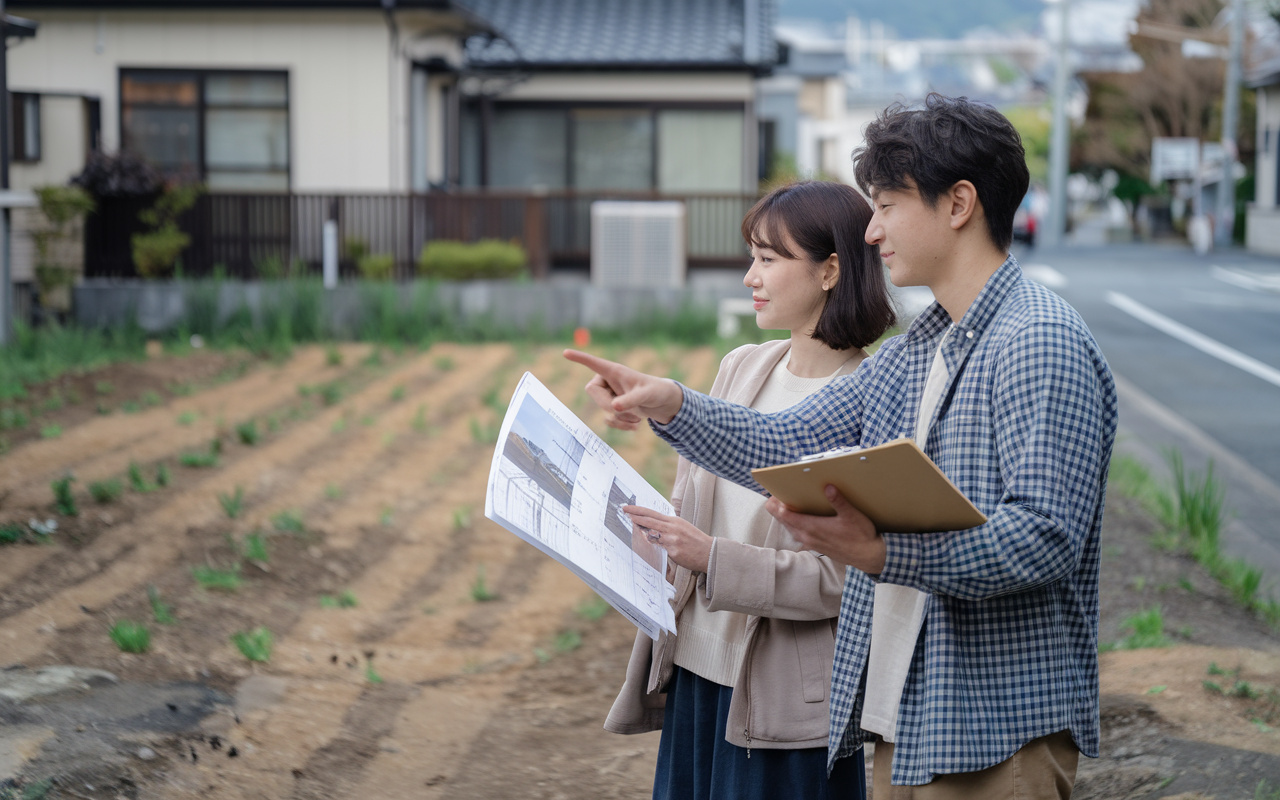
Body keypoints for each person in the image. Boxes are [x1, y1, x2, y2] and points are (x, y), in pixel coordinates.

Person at [568, 94, 1118, 799]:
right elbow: (786, 439)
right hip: (902, 717)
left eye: (887, 206)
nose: (872, 232)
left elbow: (1044, 538)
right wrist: (670, 402)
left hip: (992, 731)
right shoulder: (922, 348)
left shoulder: (1039, 342)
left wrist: (886, 553)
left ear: (958, 204)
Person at [603, 180, 895, 800]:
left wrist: (713, 558)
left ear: (830, 272)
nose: (749, 277)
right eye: (752, 257)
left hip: (781, 702)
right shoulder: (743, 365)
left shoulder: (875, 398)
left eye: (768, 258)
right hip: (693, 673)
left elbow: (845, 579)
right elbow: (690, 502)